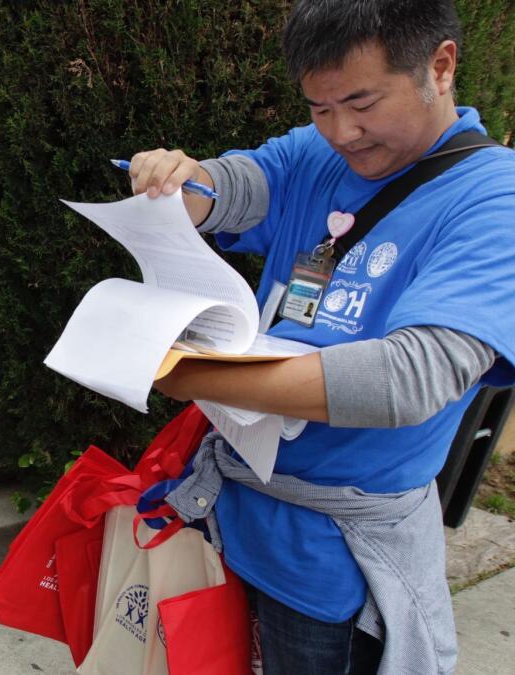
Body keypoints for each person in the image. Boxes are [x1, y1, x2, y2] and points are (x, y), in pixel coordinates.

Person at [127, 1, 515, 673]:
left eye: (361, 102)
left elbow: (408, 378)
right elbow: (246, 182)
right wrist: (183, 187)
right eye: (319, 107)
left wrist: (181, 371)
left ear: (441, 65)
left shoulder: (493, 200)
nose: (342, 132)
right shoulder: (319, 152)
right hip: (230, 514)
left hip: (333, 555)